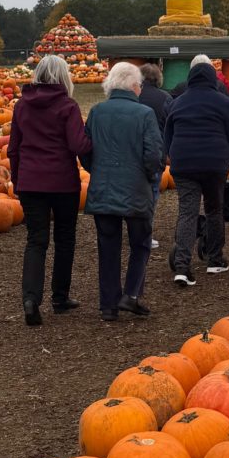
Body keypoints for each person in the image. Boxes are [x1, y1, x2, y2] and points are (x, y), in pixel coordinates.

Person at [9, 54, 92, 326]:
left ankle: (30, 299)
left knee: (36, 240)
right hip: (62, 182)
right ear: (64, 77)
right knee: (65, 239)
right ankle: (60, 297)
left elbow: (14, 149)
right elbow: (79, 146)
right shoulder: (67, 106)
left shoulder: (22, 106)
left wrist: (19, 181)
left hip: (31, 182)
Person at [81, 63, 164, 322]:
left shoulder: (97, 112)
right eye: (139, 85)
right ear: (132, 86)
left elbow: (85, 149)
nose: (140, 89)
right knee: (140, 242)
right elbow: (153, 155)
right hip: (136, 188)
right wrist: (150, 177)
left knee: (108, 246)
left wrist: (96, 170)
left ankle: (108, 305)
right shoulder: (145, 114)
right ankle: (131, 294)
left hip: (103, 189)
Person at [164, 62, 229, 287]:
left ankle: (182, 267)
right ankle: (215, 259)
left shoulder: (177, 102)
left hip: (183, 165)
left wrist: (168, 155)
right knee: (214, 209)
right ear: (213, 79)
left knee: (187, 213)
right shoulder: (223, 102)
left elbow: (168, 134)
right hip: (214, 164)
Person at [138, 63, 174, 250]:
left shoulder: (134, 96)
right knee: (151, 195)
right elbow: (170, 126)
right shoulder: (165, 98)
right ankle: (145, 234)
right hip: (156, 152)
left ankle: (132, 231)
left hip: (133, 152)